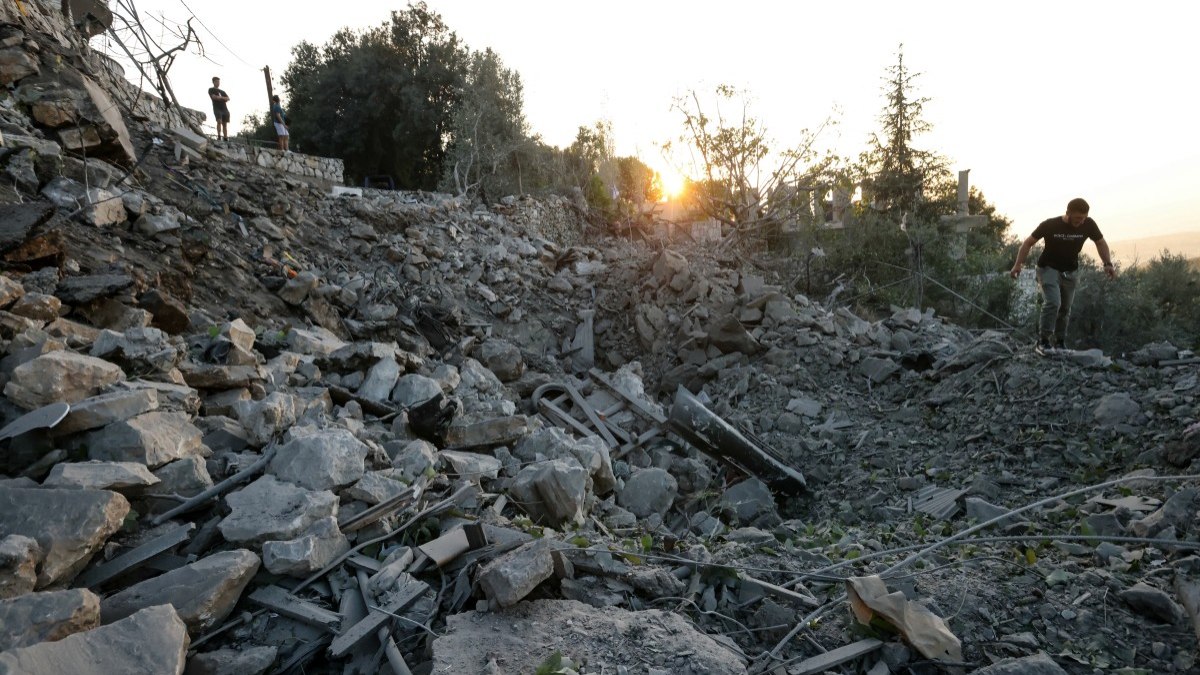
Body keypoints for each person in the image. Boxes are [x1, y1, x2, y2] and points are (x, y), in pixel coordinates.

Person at [1009, 198, 1117, 353]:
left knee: (1065, 308)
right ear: (1068, 214)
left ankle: (1060, 342)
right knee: (1053, 302)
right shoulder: (1050, 225)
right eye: (1078, 218)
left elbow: (1100, 242)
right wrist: (1018, 264)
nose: (1081, 222)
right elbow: (1028, 243)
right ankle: (1043, 341)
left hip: (1070, 271)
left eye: (1084, 218)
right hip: (1048, 268)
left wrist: (1107, 263)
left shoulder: (1089, 224)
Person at [207, 77, 230, 142]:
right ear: (213, 82)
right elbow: (214, 97)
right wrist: (223, 98)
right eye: (216, 81)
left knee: (225, 124)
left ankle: (225, 138)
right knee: (219, 121)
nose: (218, 83)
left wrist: (220, 97)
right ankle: (219, 136)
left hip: (224, 109)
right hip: (217, 108)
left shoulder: (222, 91)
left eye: (218, 81)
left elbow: (228, 98)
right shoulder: (211, 89)